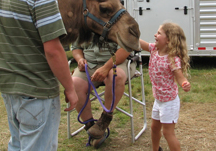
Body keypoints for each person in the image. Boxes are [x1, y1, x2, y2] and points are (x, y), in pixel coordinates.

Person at [0, 0, 78, 150]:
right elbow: (54, 50)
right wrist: (70, 88)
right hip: (36, 91)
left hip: (8, 86)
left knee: (18, 144)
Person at [71, 34, 136, 148]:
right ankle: (91, 126)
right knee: (74, 83)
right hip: (89, 65)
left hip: (116, 63)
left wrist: (106, 68)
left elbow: (125, 49)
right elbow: (76, 47)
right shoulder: (83, 22)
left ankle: (104, 121)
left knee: (116, 76)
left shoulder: (119, 19)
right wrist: (79, 59)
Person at [140, 22, 191, 151]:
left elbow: (179, 76)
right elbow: (139, 42)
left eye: (159, 33)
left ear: (168, 40)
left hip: (169, 102)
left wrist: (184, 83)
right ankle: (156, 149)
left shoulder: (172, 59)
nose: (155, 35)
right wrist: (127, 31)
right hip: (158, 100)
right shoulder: (153, 49)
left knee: (168, 133)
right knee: (154, 128)